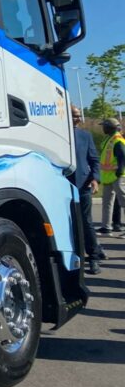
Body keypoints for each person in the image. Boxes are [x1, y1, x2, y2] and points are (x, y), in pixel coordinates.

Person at [72, 106, 104, 274]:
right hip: (62, 186)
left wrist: (95, 178)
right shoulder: (56, 137)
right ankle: (74, 256)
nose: (77, 119)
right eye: (74, 116)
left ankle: (94, 256)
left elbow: (94, 160)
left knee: (86, 221)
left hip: (83, 184)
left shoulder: (85, 136)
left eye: (78, 116)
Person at [96, 118, 125, 234]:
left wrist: (119, 171)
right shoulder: (109, 139)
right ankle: (106, 227)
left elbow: (122, 157)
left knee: (123, 201)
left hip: (118, 176)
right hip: (108, 176)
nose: (103, 128)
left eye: (104, 126)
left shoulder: (118, 140)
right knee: (107, 202)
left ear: (109, 127)